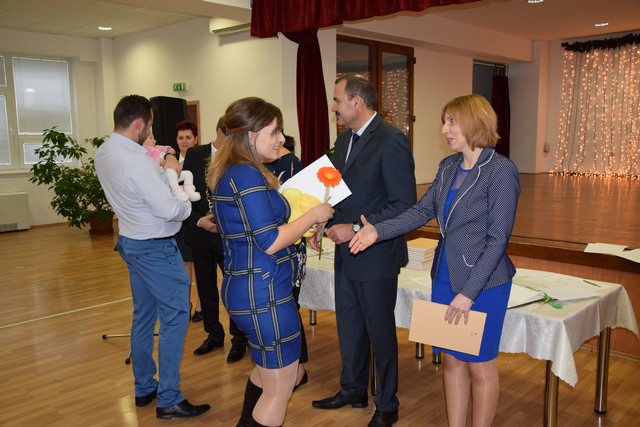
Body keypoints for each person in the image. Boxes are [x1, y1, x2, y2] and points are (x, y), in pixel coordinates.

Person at [349, 94, 520, 427]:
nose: (444, 129)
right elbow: (420, 211)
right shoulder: (448, 167)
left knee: (479, 364)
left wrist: (469, 292)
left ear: (475, 122)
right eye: (445, 121)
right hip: (444, 276)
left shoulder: (501, 171)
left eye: (451, 121)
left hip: (484, 284)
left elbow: (498, 240)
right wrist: (377, 231)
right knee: (452, 361)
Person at [207, 97, 334, 427]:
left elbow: (256, 231)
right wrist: (312, 216)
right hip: (263, 292)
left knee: (270, 375)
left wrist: (304, 227)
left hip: (251, 287)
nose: (281, 139)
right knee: (280, 388)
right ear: (251, 134)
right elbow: (270, 240)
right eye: (274, 132)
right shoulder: (247, 174)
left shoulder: (233, 170)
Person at [310, 74, 416, 427]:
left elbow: (404, 205)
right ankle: (353, 389)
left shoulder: (391, 140)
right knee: (350, 326)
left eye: (337, 100)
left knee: (379, 332)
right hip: (346, 251)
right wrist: (321, 223)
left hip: (376, 254)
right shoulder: (344, 139)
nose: (334, 107)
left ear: (357, 102)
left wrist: (355, 227)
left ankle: (387, 404)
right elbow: (340, 194)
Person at [95, 94, 210, 419]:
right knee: (176, 316)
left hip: (131, 241)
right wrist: (181, 195)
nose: (151, 131)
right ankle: (169, 397)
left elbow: (142, 195)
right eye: (149, 125)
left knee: (144, 316)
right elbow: (170, 210)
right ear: (138, 124)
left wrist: (164, 171)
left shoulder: (105, 152)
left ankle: (145, 386)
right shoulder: (138, 162)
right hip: (155, 248)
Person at [182, 117, 248, 361]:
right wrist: (200, 220)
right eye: (228, 135)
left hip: (228, 234)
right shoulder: (195, 154)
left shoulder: (238, 157)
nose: (232, 141)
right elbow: (184, 195)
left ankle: (239, 339)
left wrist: (225, 220)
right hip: (201, 232)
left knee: (234, 288)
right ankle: (213, 334)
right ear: (219, 132)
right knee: (206, 286)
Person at [263, 134, 308, 392]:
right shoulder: (257, 165)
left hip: (290, 242)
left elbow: (298, 205)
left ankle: (297, 366)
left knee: (289, 305)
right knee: (282, 309)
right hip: (274, 244)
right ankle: (288, 365)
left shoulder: (291, 164)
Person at [173, 120, 201, 322]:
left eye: (188, 137)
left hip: (197, 218)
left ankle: (201, 305)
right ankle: (185, 304)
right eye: (181, 138)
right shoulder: (170, 162)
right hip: (178, 220)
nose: (184, 141)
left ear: (196, 139)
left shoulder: (201, 160)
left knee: (200, 265)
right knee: (184, 265)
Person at [142, 132, 200, 201]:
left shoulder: (156, 147)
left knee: (188, 173)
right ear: (142, 141)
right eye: (151, 138)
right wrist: (158, 160)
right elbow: (147, 160)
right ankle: (177, 193)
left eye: (188, 137)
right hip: (162, 176)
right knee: (170, 172)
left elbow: (164, 147)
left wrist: (168, 149)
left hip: (171, 175)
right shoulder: (144, 151)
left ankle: (189, 191)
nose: (155, 140)